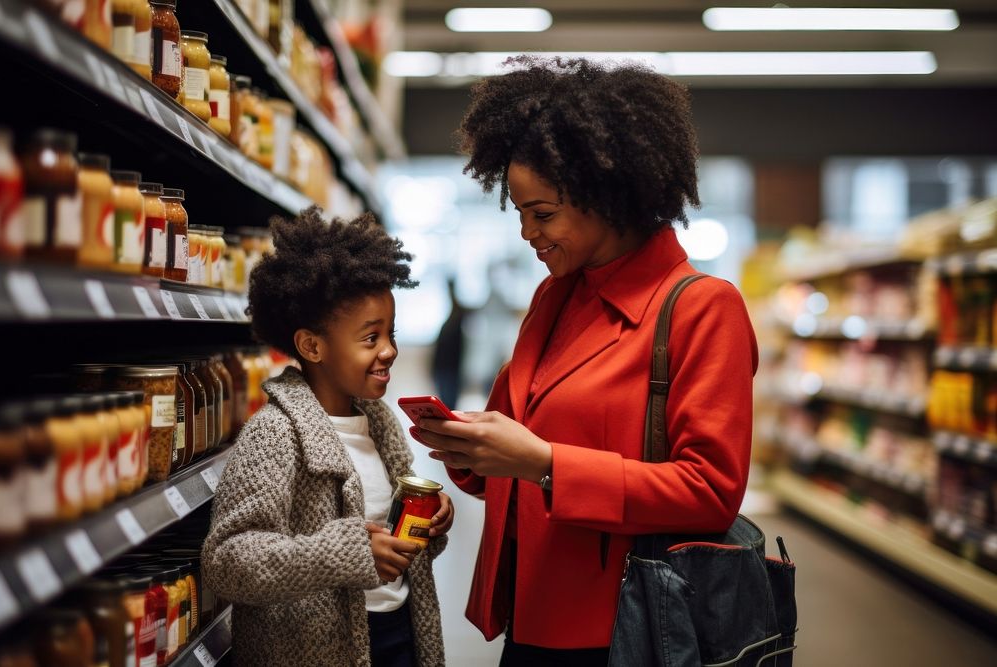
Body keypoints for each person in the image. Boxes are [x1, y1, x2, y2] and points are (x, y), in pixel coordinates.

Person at [412, 57, 758, 665]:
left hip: (627, 625)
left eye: (542, 214)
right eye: (518, 212)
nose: (527, 233)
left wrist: (544, 464)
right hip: (530, 614)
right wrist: (472, 448)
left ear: (608, 197)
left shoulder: (702, 309)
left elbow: (710, 490)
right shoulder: (553, 297)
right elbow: (518, 442)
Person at [201, 207, 454, 667]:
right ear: (312, 346)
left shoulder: (380, 422)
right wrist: (344, 553)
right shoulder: (274, 434)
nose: (390, 350)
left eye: (391, 333)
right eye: (370, 338)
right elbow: (228, 560)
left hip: (400, 635)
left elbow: (391, 525)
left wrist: (429, 521)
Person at [430, 277, 466, 408]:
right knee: (446, 404)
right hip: (444, 368)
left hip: (450, 368)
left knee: (449, 405)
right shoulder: (450, 319)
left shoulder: (458, 315)